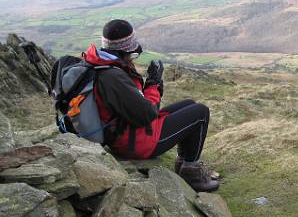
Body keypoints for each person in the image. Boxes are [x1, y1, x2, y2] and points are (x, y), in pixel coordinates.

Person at [82, 19, 219, 192]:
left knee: (190, 104)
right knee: (201, 113)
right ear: (124, 49)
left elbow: (135, 104)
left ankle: (183, 164)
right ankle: (192, 175)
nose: (133, 56)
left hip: (126, 131)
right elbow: (147, 114)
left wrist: (148, 86)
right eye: (132, 53)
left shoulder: (103, 65)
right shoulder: (113, 77)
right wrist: (153, 85)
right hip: (134, 143)